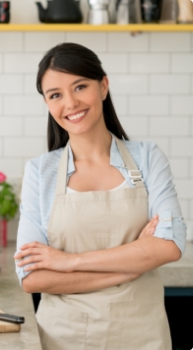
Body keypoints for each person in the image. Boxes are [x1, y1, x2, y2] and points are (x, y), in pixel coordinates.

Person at [14, 43, 187, 350]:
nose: (70, 102)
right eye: (55, 95)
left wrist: (69, 262)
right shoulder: (41, 172)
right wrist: (134, 263)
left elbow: (170, 246)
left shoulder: (148, 159)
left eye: (80, 86)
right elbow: (32, 277)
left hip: (142, 337)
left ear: (103, 86)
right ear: (47, 103)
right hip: (63, 339)